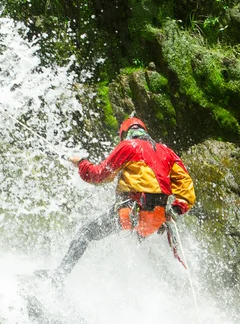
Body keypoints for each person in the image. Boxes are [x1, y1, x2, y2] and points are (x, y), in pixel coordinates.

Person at [39, 116, 196, 284]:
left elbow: (99, 175)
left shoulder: (129, 146)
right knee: (132, 246)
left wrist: (81, 164)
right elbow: (186, 185)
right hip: (157, 219)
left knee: (85, 233)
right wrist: (177, 208)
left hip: (131, 212)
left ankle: (59, 276)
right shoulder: (167, 152)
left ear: (125, 134)